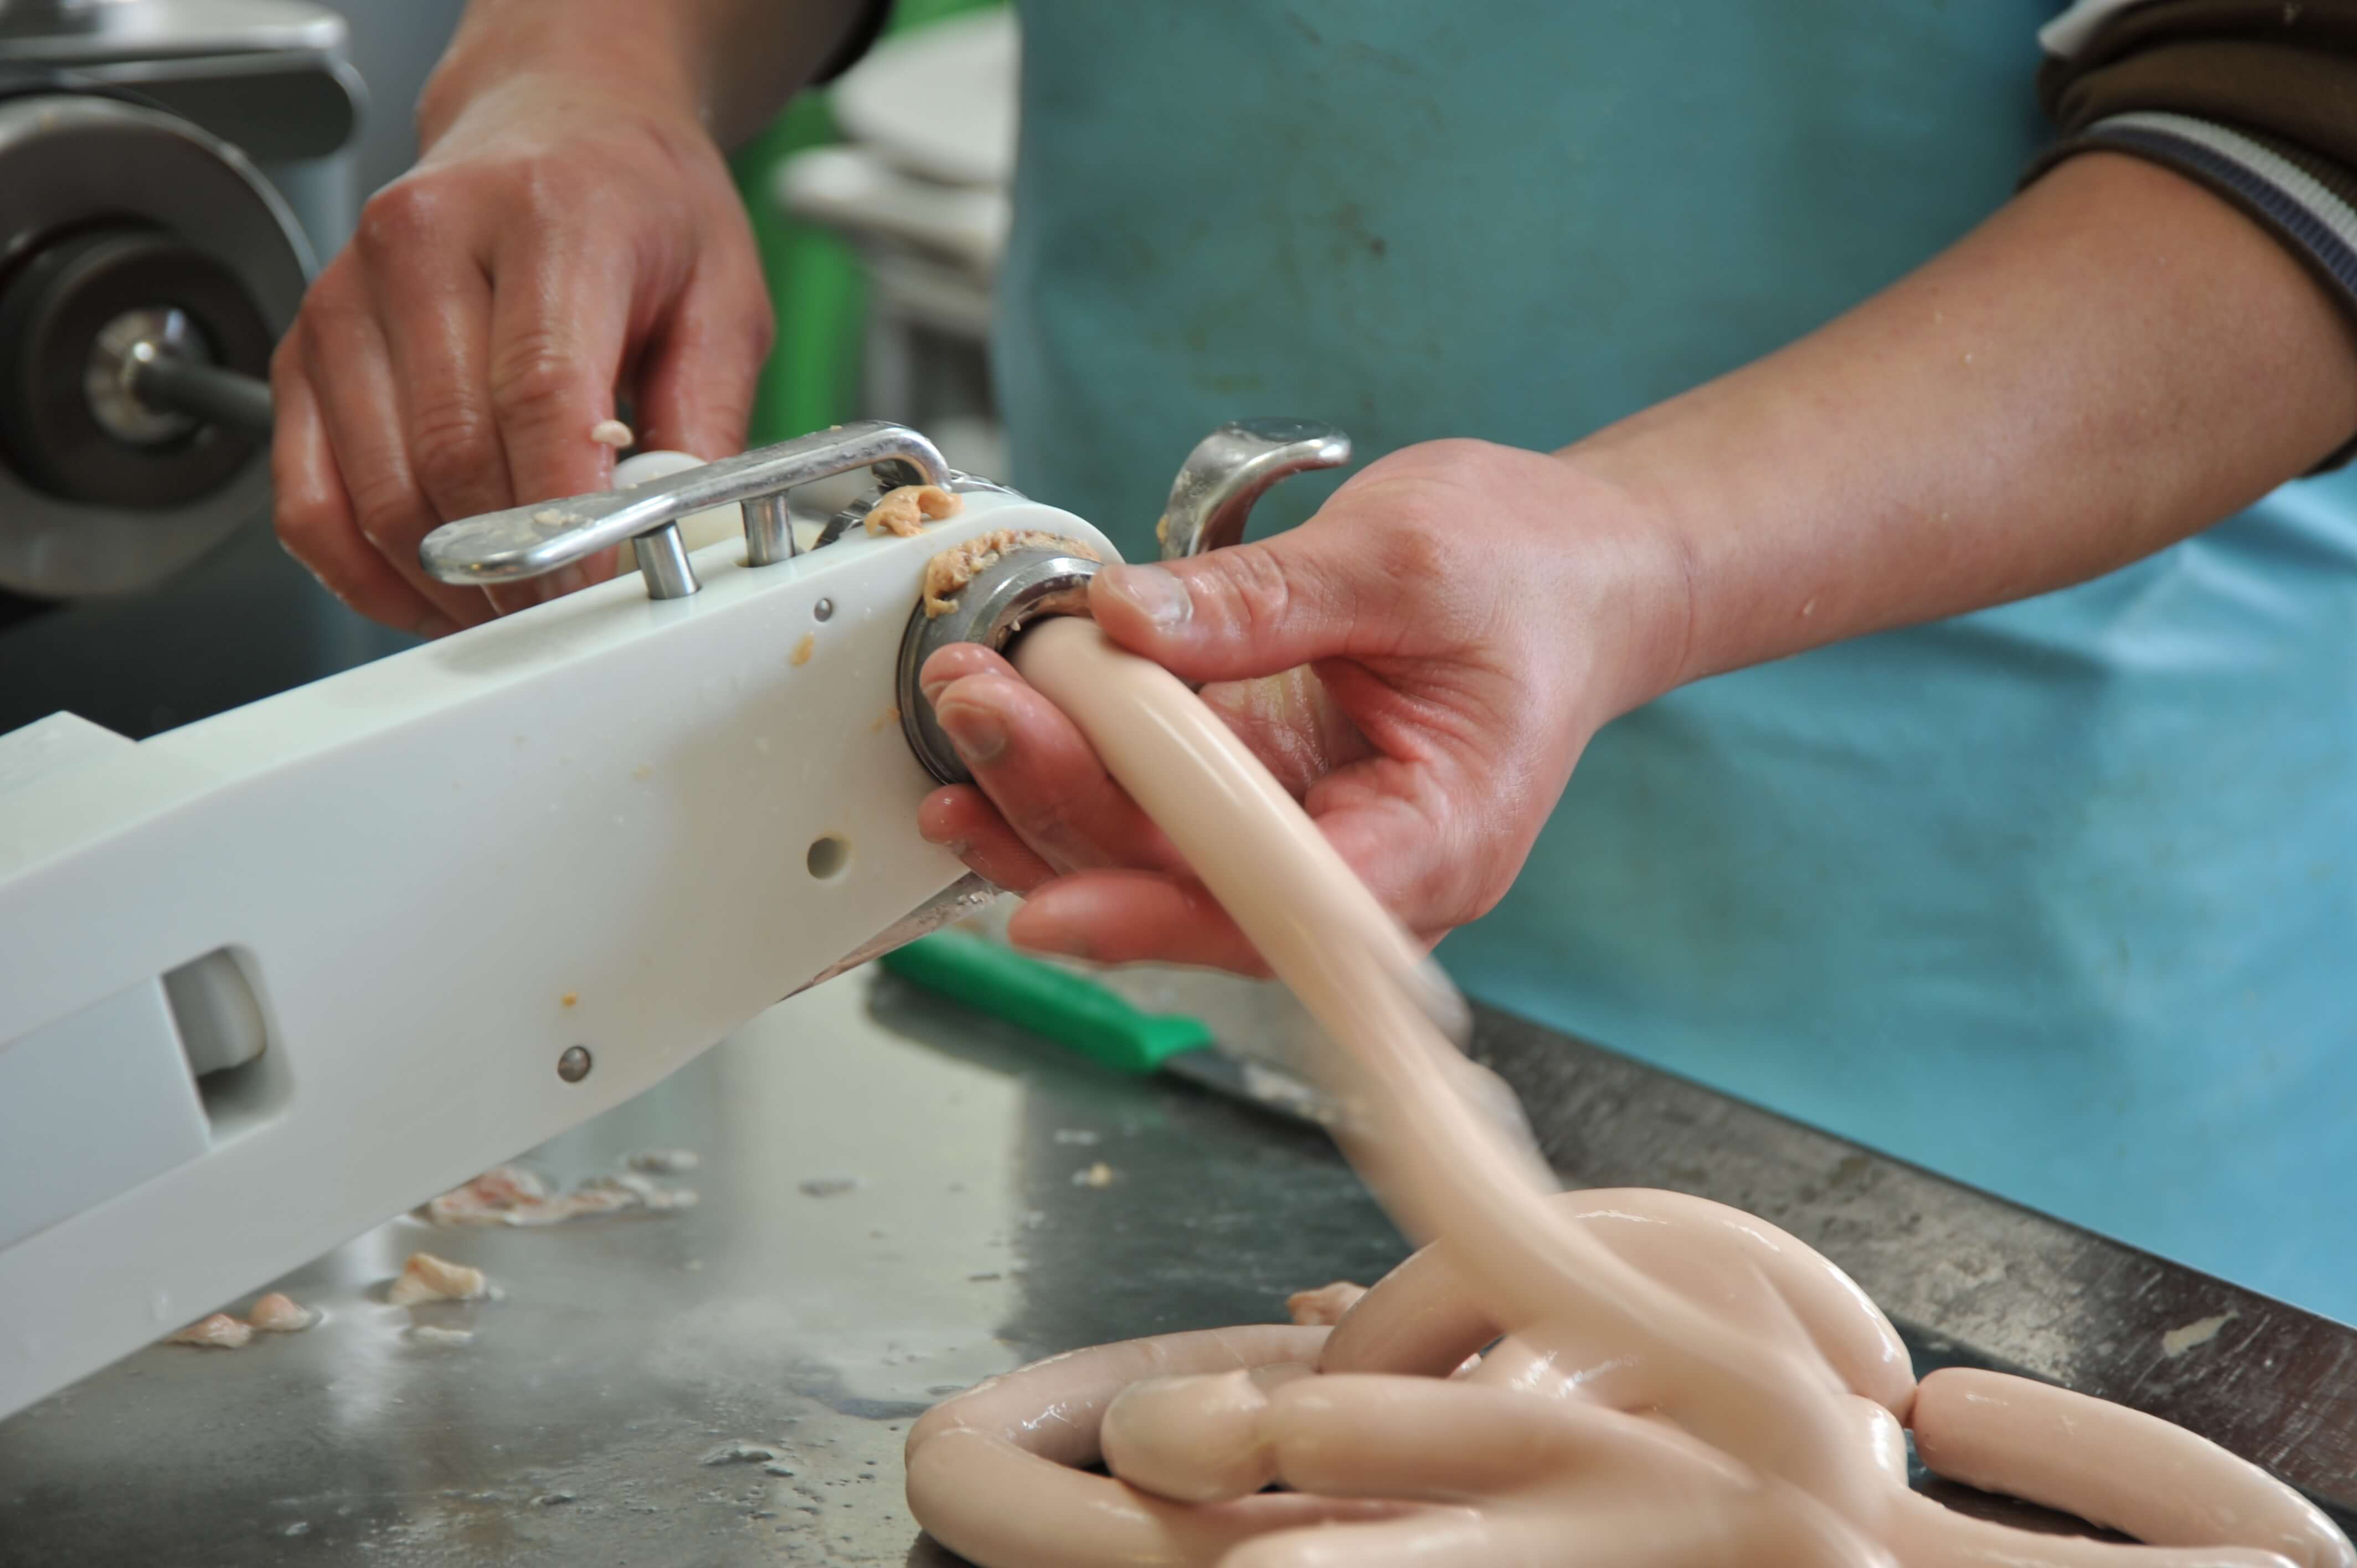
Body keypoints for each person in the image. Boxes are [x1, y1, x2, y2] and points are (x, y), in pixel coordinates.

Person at [273, 2, 2357, 1321]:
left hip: (2003, 1041)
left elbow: (2313, 115)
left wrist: (1635, 558)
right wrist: (592, 73)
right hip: (1163, 952)